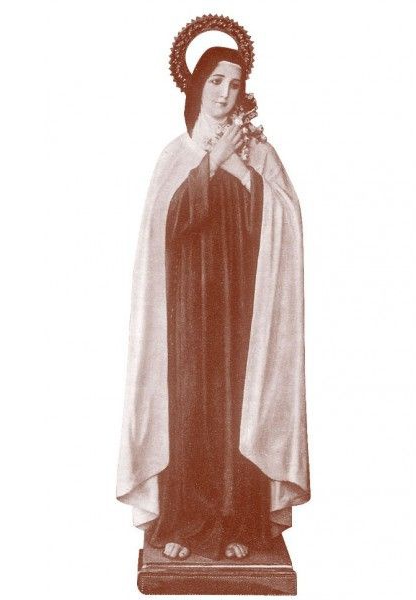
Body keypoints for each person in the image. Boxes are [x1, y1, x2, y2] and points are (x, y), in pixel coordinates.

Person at [116, 43, 310, 562]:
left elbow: (284, 222)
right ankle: (183, 522)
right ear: (198, 85)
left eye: (235, 84)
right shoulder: (174, 155)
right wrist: (214, 161)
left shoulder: (260, 153)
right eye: (216, 81)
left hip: (244, 310)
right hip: (186, 312)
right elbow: (169, 227)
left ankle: (238, 524)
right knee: (188, 411)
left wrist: (242, 169)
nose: (225, 93)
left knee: (239, 409)